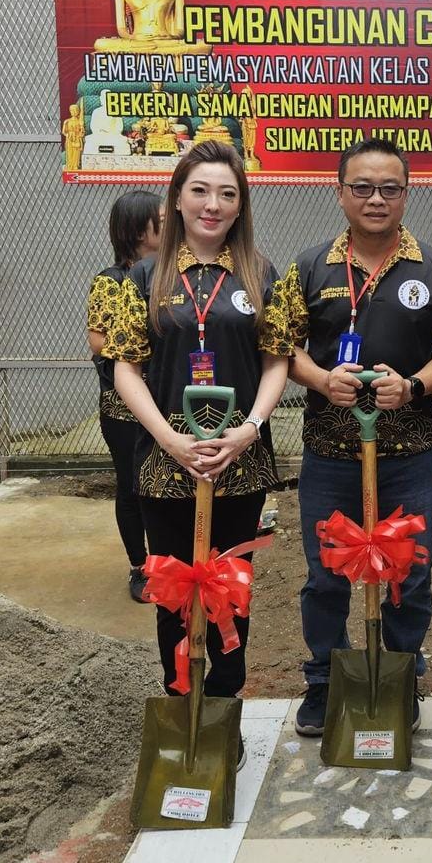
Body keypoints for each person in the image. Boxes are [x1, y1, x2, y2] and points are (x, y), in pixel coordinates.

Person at [100, 141, 291, 753]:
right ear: (177, 198)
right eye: (201, 191)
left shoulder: (261, 274)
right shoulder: (139, 278)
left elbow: (276, 360)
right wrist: (167, 437)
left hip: (239, 458)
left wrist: (251, 428)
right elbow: (126, 368)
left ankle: (223, 708)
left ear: (241, 205)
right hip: (166, 459)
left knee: (231, 583)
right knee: (177, 584)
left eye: (228, 193)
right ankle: (182, 700)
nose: (213, 204)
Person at [280, 138, 432, 736]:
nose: (376, 199)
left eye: (389, 188)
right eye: (362, 187)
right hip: (330, 452)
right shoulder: (310, 266)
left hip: (410, 454)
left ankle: (401, 673)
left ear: (406, 194)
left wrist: (411, 387)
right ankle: (326, 681)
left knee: (410, 572)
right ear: (340, 193)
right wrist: (319, 378)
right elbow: (281, 345)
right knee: (325, 572)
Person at [87, 189, 163, 602]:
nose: (171, 226)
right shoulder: (110, 281)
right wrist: (140, 344)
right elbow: (98, 341)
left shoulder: (173, 274)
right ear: (137, 231)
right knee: (132, 485)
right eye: (161, 220)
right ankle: (141, 566)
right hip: (123, 408)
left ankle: (172, 561)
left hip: (168, 401)